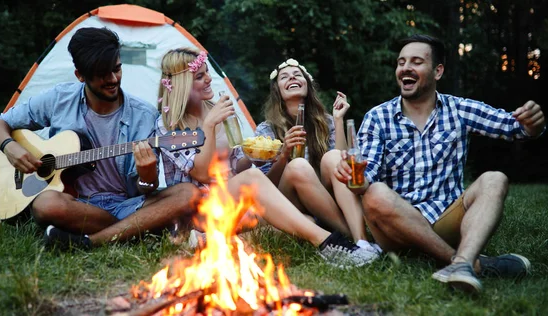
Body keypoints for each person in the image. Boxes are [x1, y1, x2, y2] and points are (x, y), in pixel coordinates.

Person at [334, 34, 545, 293]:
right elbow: (367, 179)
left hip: (447, 218)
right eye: (401, 62)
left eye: (416, 62)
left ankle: (463, 263)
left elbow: (515, 127)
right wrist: (354, 178)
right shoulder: (378, 117)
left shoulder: (459, 109)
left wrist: (533, 124)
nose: (405, 68)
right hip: (397, 227)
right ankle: (470, 264)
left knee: (495, 179)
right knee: (375, 193)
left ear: (438, 71)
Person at [156, 47, 378, 268]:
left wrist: (257, 154)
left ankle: (356, 244)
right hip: (201, 212)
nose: (208, 79)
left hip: (237, 204)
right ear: (183, 83)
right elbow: (202, 172)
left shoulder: (217, 109)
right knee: (258, 184)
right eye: (199, 76)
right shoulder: (167, 125)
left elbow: (237, 164)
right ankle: (328, 243)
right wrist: (209, 125)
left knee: (303, 221)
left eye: (207, 72)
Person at [0, 27, 199, 250]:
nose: (112, 79)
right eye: (102, 73)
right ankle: (139, 228)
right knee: (45, 205)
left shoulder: (144, 116)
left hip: (126, 204)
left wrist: (147, 176)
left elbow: (144, 187)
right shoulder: (59, 99)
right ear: (80, 75)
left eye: (117, 69)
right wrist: (10, 147)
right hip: (76, 204)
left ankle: (89, 241)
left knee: (187, 194)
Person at [255, 58, 381, 260]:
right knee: (297, 166)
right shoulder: (266, 129)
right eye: (284, 77)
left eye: (297, 74)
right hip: (289, 201)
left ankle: (361, 243)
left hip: (323, 199)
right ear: (277, 90)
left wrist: (338, 120)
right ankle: (349, 239)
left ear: (307, 84)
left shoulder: (326, 122)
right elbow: (263, 187)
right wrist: (284, 153)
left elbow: (343, 168)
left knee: (333, 157)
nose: (292, 77)